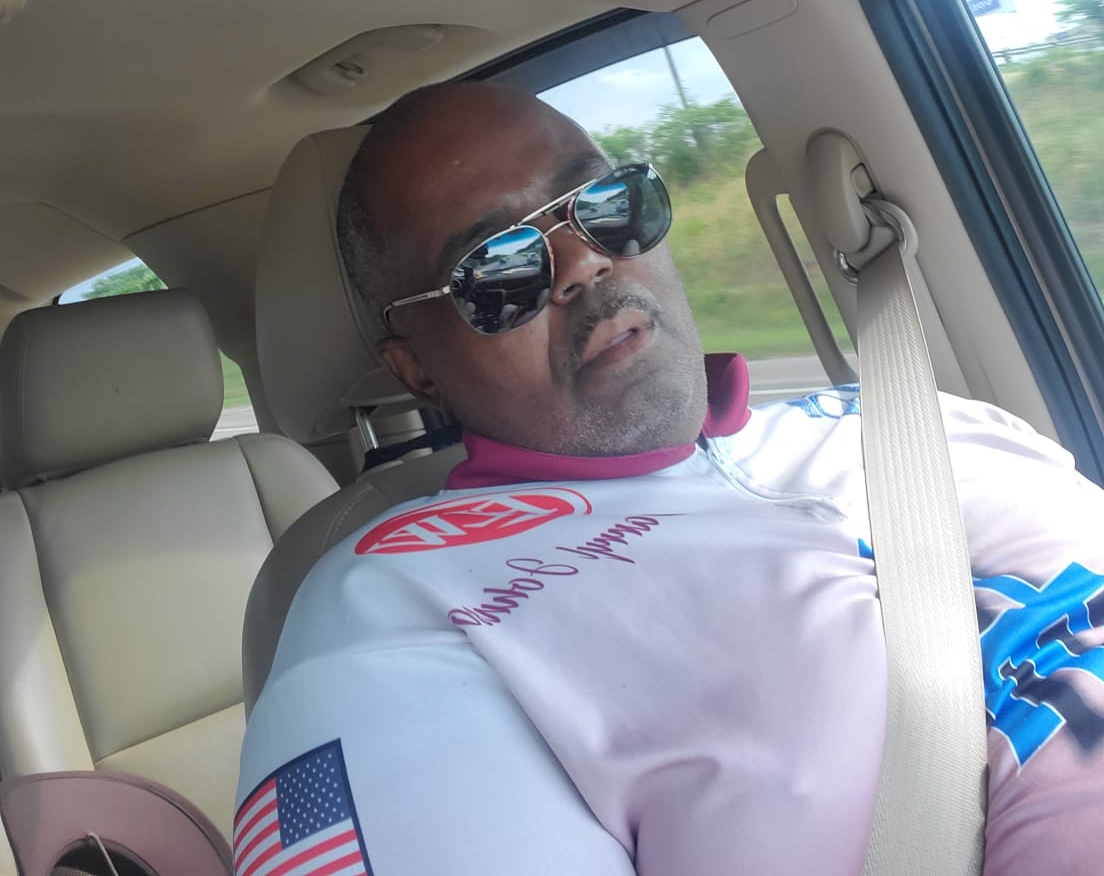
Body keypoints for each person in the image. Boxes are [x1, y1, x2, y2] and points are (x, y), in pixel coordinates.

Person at [236, 81, 1104, 876]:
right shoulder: (382, 623)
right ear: (415, 367)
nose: (583, 263)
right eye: (498, 266)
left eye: (609, 207)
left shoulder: (919, 416)